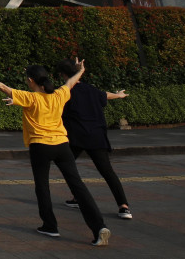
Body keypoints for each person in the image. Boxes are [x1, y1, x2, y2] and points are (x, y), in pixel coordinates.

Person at [0, 60, 111, 247]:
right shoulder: (59, 95)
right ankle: (98, 227)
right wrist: (82, 70)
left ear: (31, 80)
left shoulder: (30, 98)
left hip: (40, 146)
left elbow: (3, 87)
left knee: (42, 186)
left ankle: (50, 226)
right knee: (78, 185)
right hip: (62, 144)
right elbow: (70, 83)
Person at [54, 59, 132, 220]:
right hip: (96, 136)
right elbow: (105, 95)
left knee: (66, 166)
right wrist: (118, 95)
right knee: (107, 171)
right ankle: (123, 206)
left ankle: (78, 196)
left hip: (75, 138)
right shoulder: (91, 89)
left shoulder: (64, 92)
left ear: (62, 75)